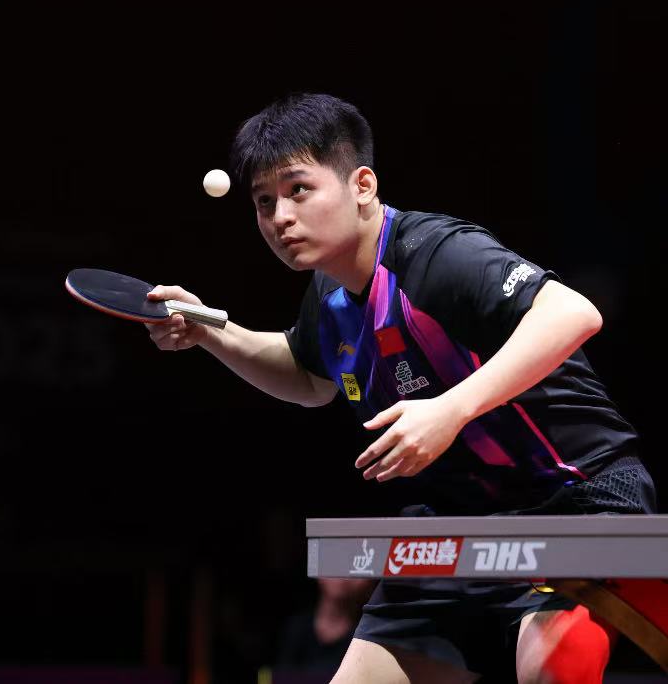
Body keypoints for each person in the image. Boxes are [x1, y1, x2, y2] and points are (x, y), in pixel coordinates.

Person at [147, 93, 652, 683]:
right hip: (457, 519)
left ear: (362, 185)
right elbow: (308, 377)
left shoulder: (436, 254)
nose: (279, 216)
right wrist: (212, 331)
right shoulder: (330, 295)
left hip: (577, 496)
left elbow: (572, 313)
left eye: (298, 190)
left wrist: (451, 410)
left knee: (553, 668)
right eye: (264, 202)